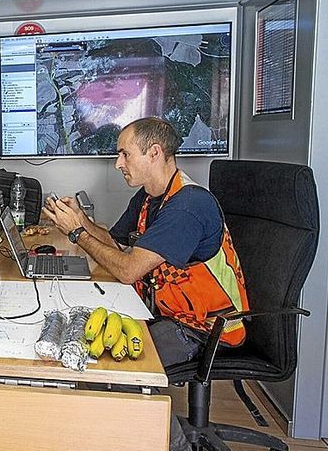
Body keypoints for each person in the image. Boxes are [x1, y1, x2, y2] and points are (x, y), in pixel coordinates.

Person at [44, 116, 248, 366]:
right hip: (163, 311)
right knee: (80, 331)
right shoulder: (150, 196)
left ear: (154, 153)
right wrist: (80, 219)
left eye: (125, 154)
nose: (118, 163)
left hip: (206, 329)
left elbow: (128, 271)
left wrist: (77, 233)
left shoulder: (188, 206)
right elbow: (114, 243)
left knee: (108, 360)